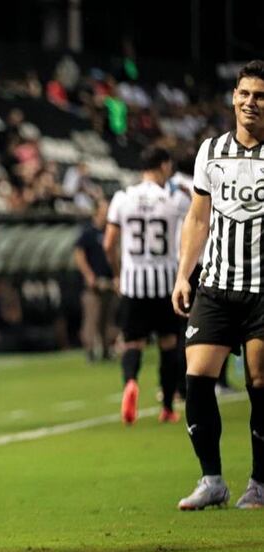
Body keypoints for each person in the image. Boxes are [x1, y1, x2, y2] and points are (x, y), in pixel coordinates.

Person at [172, 60, 264, 510]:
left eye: (260, 96)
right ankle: (212, 480)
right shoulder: (210, 151)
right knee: (196, 378)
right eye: (245, 93)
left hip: (263, 290)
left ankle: (260, 483)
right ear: (233, 97)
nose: (251, 102)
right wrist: (183, 274)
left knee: (258, 381)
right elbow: (197, 217)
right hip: (216, 284)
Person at [104, 146, 189, 425]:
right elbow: (188, 238)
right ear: (164, 166)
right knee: (168, 344)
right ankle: (167, 405)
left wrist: (118, 273)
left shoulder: (122, 198)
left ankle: (130, 382)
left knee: (132, 342)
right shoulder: (176, 200)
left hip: (133, 283)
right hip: (165, 283)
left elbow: (109, 243)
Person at [74, 199, 117, 362]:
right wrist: (89, 275)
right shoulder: (88, 232)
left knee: (107, 318)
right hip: (93, 284)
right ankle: (90, 350)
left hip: (108, 281)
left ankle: (107, 349)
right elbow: (79, 255)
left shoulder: (109, 231)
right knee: (92, 317)